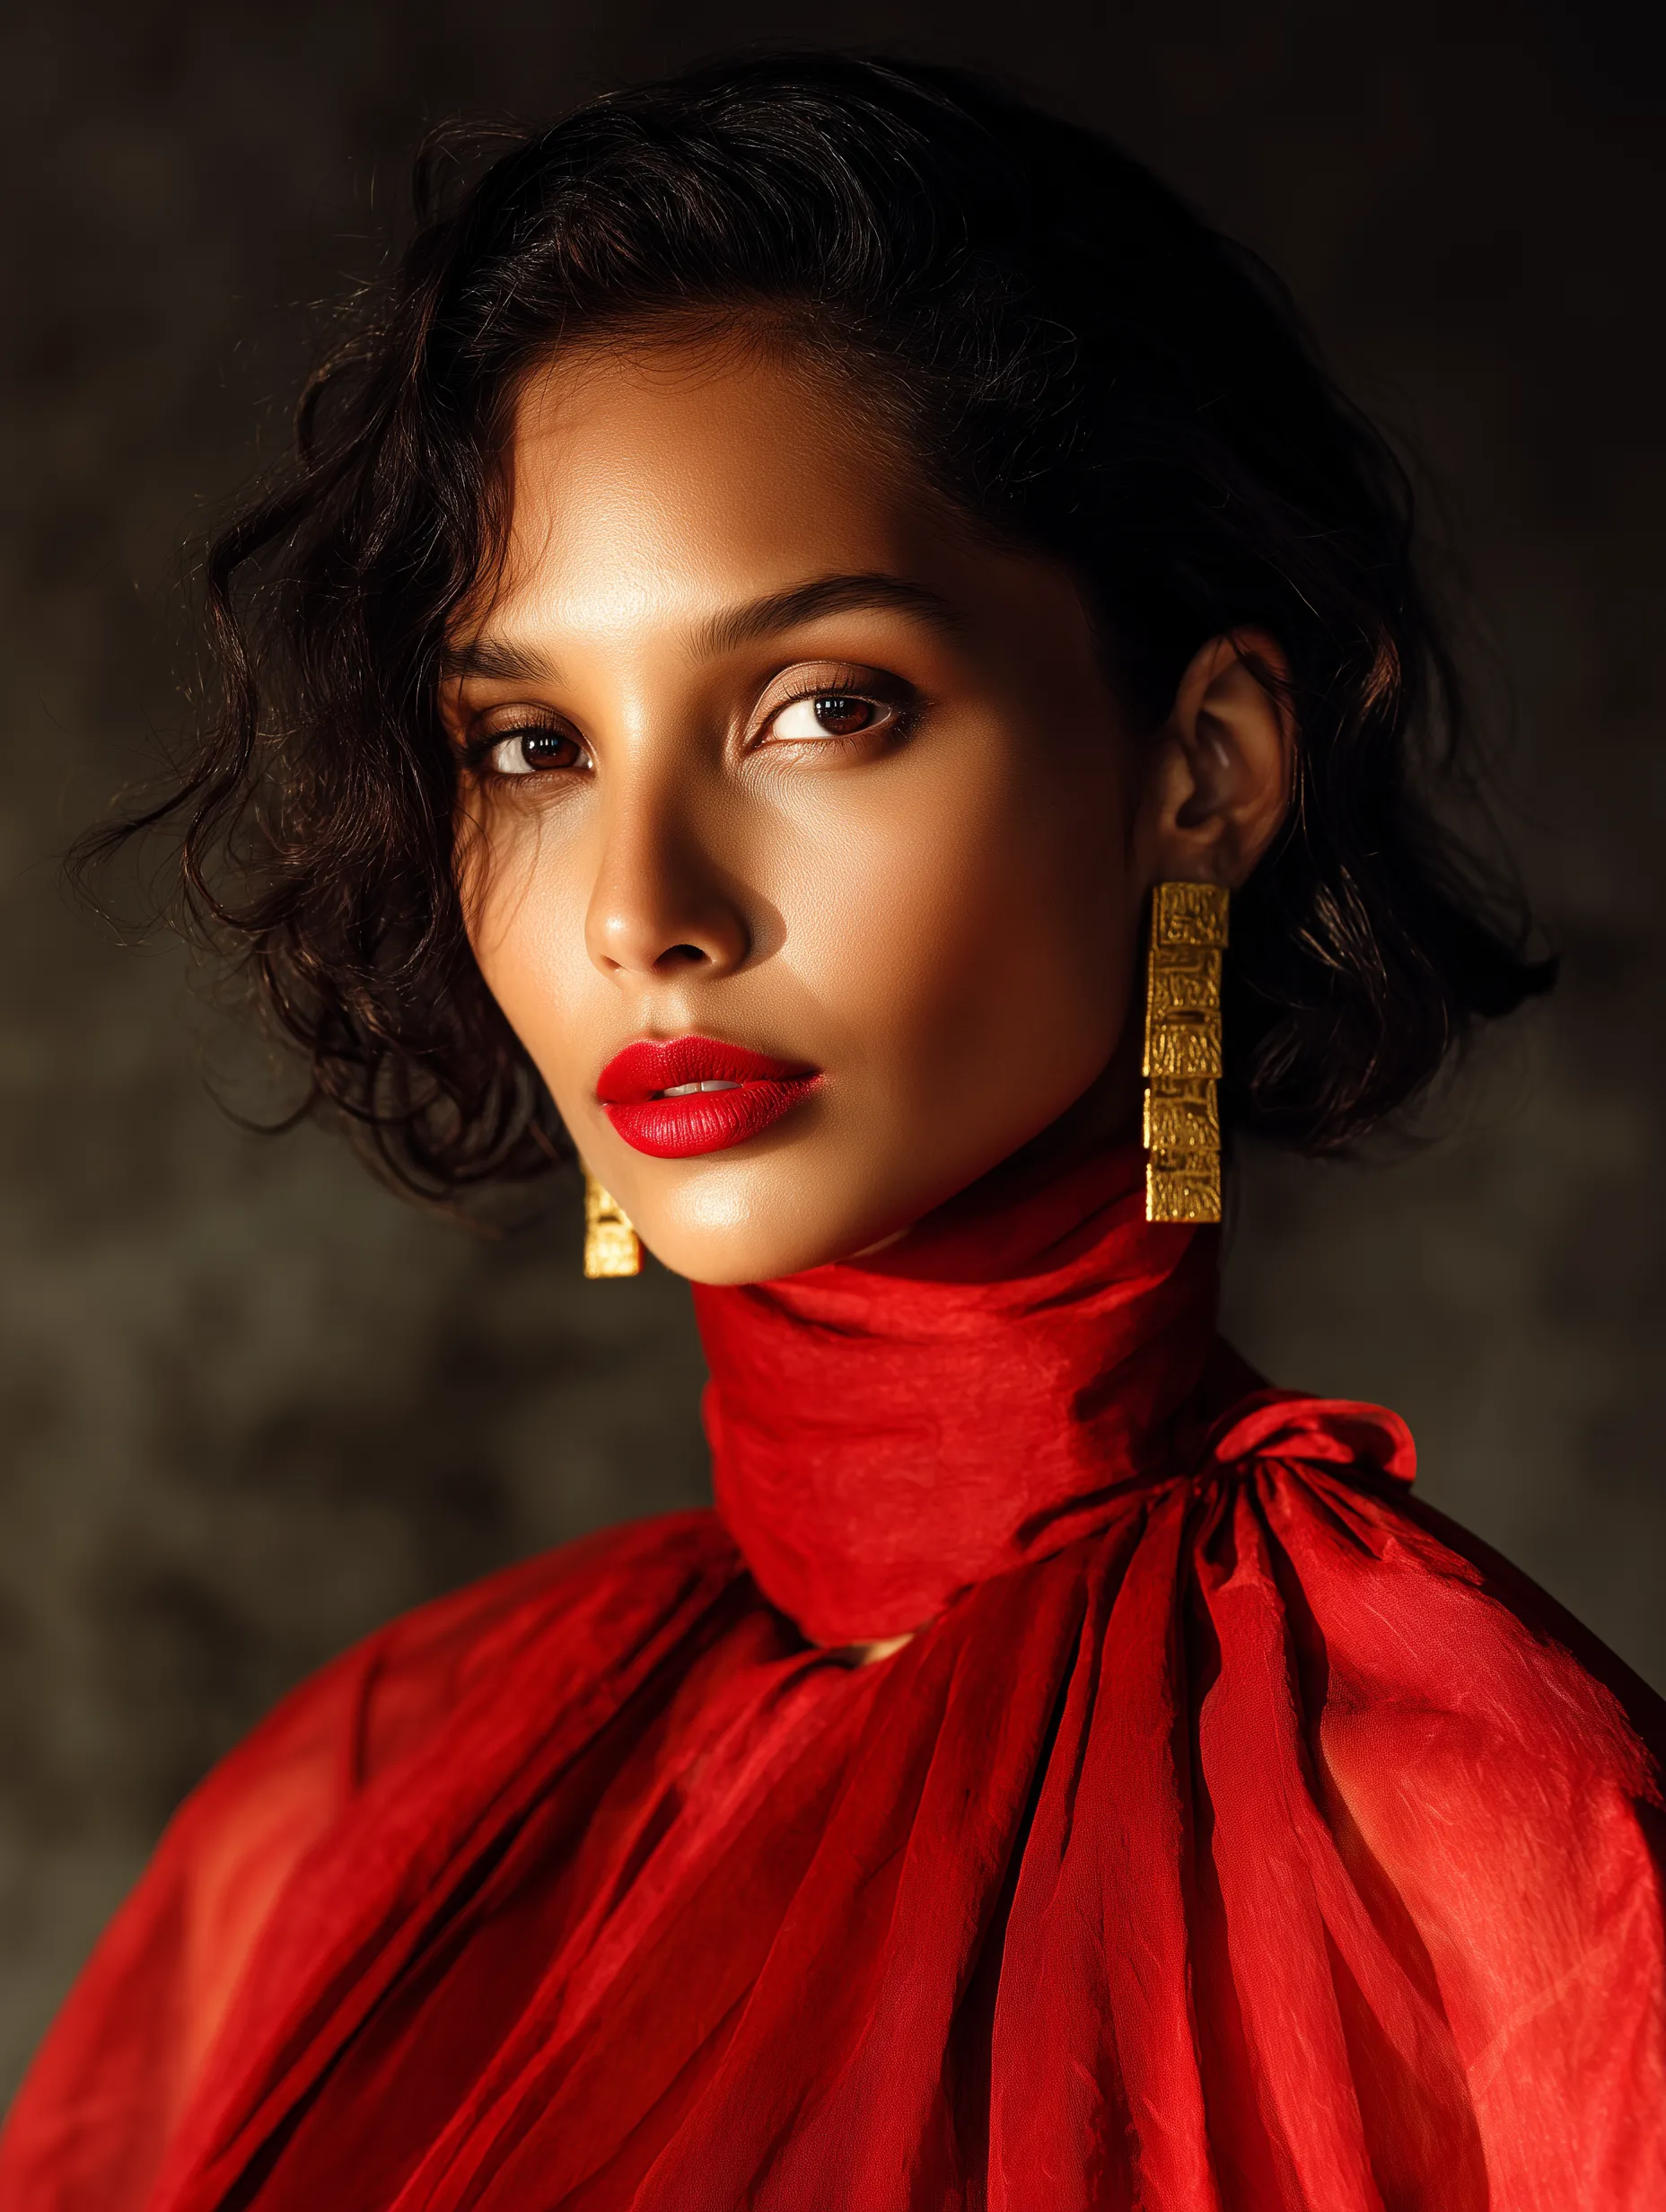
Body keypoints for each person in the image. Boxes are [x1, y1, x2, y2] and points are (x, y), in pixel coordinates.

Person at [4, 51, 1662, 2212]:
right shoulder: (355, 1814)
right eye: (528, 744)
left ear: (1207, 769)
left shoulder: (1483, 1838)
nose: (639, 910)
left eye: (817, 708)